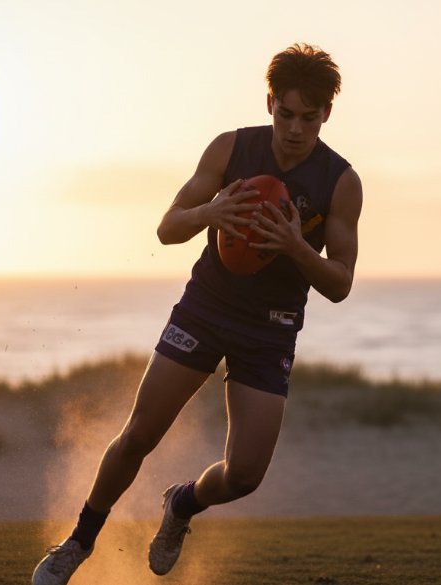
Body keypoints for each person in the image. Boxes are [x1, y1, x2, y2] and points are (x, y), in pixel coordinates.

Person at [32, 43, 362, 584]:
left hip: (270, 331)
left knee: (244, 476)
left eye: (309, 117)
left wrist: (295, 245)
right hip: (206, 309)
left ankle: (182, 504)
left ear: (327, 113)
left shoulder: (341, 182)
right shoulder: (232, 149)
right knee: (139, 434)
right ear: (270, 103)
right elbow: (168, 227)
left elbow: (341, 284)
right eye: (286, 113)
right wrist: (212, 211)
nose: (296, 128)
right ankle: (77, 543)